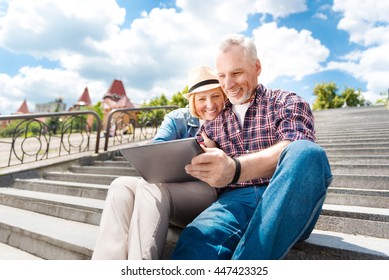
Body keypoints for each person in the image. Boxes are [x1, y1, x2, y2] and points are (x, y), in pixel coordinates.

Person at [171, 34, 333, 260]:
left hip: (287, 194)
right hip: (235, 202)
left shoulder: (287, 102)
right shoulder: (214, 122)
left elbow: (294, 146)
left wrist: (234, 169)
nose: (228, 84)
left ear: (257, 67)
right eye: (222, 75)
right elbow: (201, 152)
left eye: (236, 73)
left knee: (306, 153)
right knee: (196, 238)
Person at [92, 66, 226, 260]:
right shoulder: (178, 118)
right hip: (168, 188)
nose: (210, 104)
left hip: (207, 192)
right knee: (120, 185)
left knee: (151, 188)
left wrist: (215, 151)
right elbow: (157, 148)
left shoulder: (231, 119)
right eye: (201, 98)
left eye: (215, 96)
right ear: (192, 101)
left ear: (224, 96)